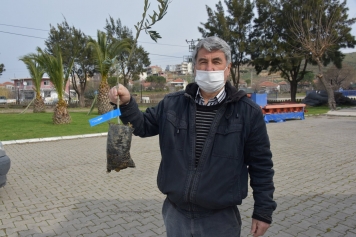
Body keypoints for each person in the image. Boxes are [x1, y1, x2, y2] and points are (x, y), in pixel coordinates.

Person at [108, 36, 276, 237]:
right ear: (195, 67)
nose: (210, 68)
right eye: (203, 62)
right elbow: (143, 126)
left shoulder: (248, 112)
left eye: (216, 62)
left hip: (220, 219)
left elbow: (261, 165)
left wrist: (263, 211)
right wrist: (127, 103)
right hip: (175, 214)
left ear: (228, 68)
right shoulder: (172, 104)